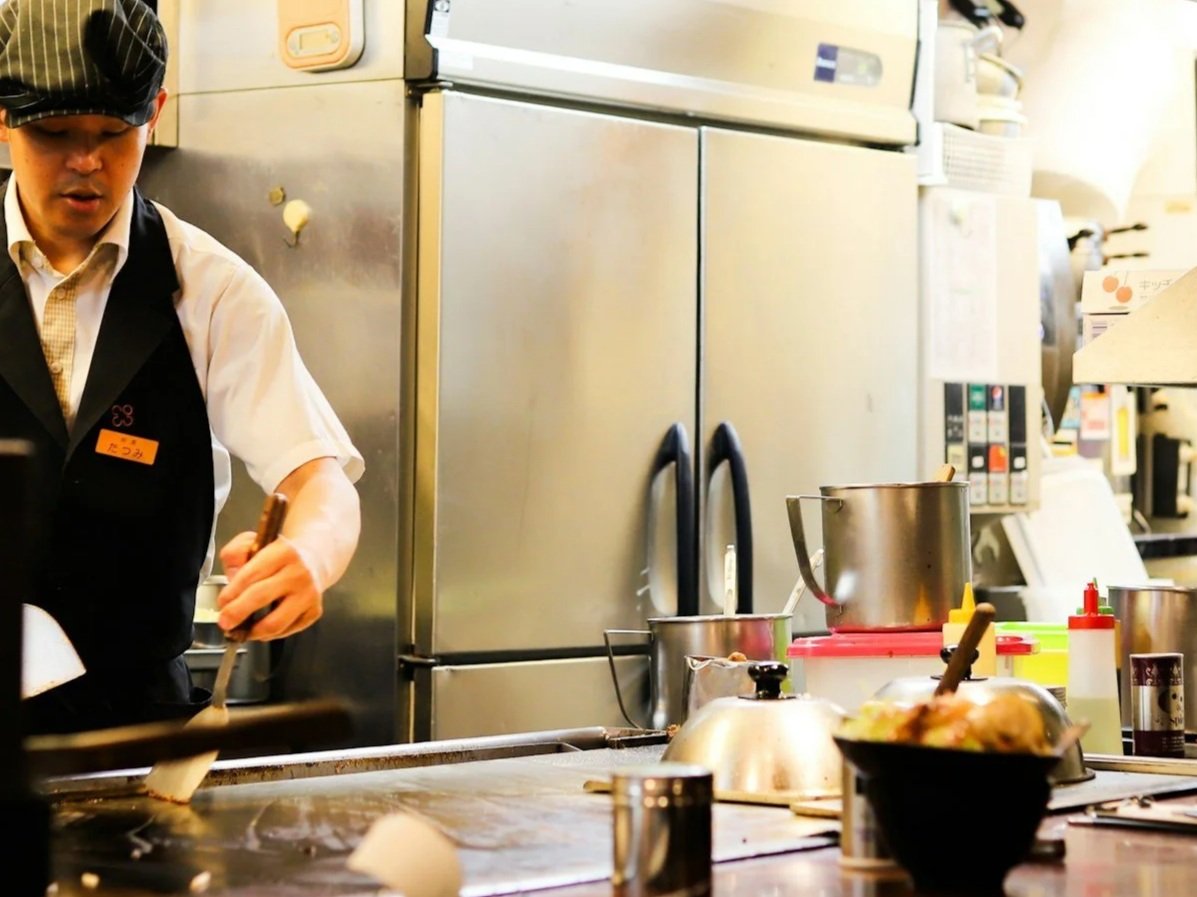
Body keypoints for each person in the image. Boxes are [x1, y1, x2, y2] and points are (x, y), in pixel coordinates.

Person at [0, 0, 363, 733]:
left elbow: (319, 480)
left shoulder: (213, 288)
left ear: (156, 112)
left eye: (114, 133)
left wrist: (308, 555)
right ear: (3, 120)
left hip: (137, 734)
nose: (86, 162)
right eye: (54, 133)